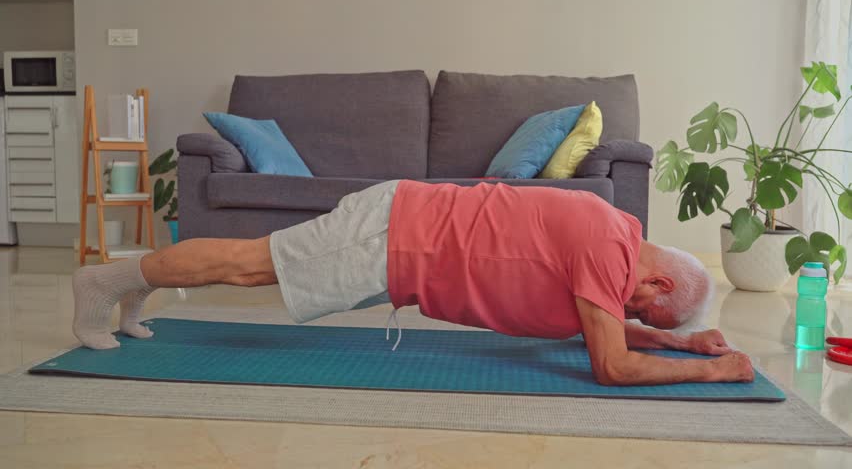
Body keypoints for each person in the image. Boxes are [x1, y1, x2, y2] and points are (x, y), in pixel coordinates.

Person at [72, 180, 755, 386]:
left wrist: (683, 347)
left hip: (401, 236)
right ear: (658, 282)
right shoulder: (609, 250)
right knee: (250, 264)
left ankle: (135, 287)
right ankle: (106, 280)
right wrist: (713, 375)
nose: (636, 318)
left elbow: (603, 328)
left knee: (252, 268)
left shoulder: (614, 244)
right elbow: (610, 361)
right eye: (654, 318)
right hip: (397, 236)